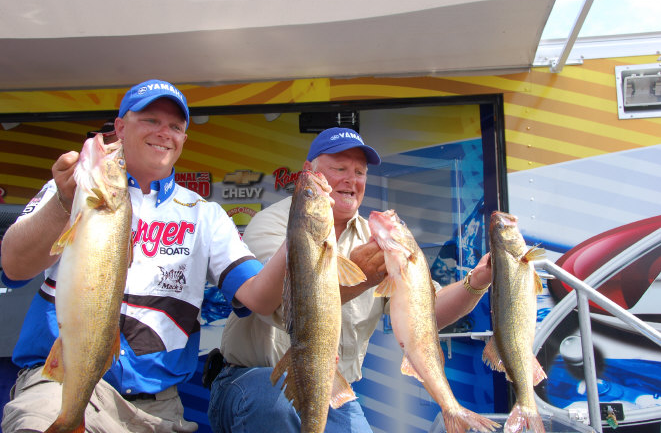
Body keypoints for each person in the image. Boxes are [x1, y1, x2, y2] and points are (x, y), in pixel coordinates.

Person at [0, 79, 286, 433]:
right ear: (120, 128)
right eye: (151, 120)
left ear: (183, 139)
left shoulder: (205, 214)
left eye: (175, 126)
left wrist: (299, 240)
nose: (164, 132)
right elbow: (14, 267)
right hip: (60, 383)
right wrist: (62, 201)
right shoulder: (72, 190)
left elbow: (260, 297)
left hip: (157, 408)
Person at [207, 127, 492, 432]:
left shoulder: (376, 237)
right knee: (275, 405)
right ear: (310, 171)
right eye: (339, 168)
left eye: (359, 172)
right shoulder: (277, 226)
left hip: (332, 389)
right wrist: (362, 278)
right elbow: (274, 307)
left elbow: (425, 312)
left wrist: (477, 281)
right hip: (253, 381)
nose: (351, 180)